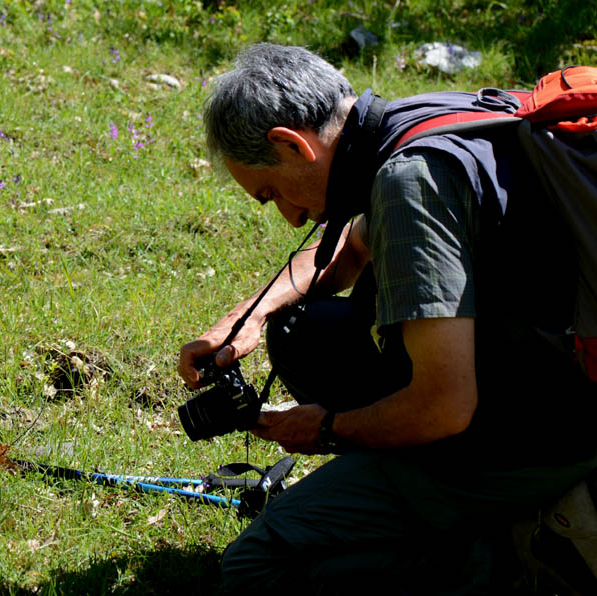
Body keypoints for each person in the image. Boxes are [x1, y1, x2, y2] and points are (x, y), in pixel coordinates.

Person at [177, 43, 597, 593]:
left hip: (529, 441)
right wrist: (246, 321)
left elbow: (445, 407)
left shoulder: (408, 184)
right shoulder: (425, 121)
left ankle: (512, 557)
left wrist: (325, 427)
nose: (288, 216)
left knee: (257, 565)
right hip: (560, 384)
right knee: (303, 329)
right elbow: (351, 249)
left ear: (290, 144)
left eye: (271, 193)